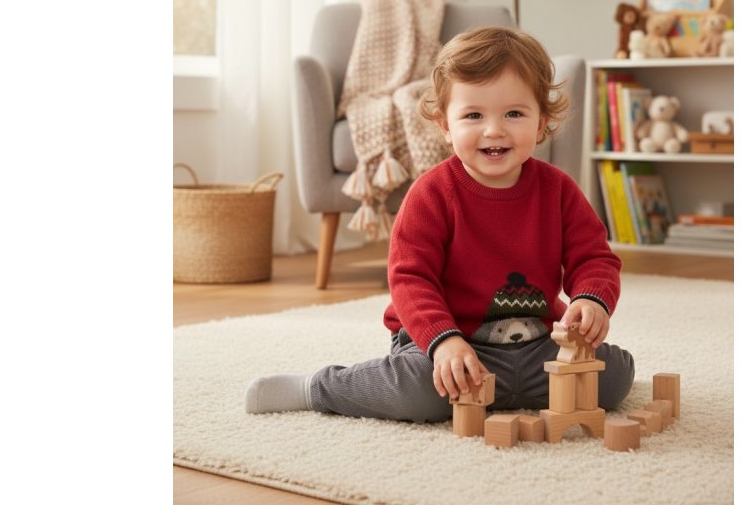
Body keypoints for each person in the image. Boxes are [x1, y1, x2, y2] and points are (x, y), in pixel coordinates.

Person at [245, 26, 635, 420]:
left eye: (514, 113)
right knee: (420, 392)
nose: (494, 129)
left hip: (535, 343)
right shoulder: (431, 193)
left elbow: (595, 258)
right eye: (473, 115)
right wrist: (443, 342)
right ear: (446, 126)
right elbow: (410, 279)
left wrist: (590, 299)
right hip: (444, 340)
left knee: (614, 377)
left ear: (540, 122)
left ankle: (505, 390)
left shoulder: (559, 189)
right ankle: (317, 388)